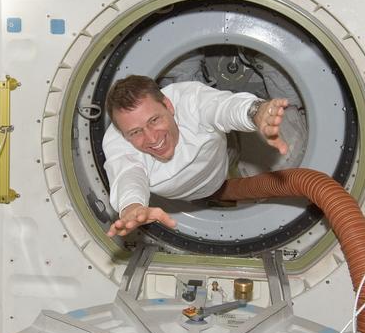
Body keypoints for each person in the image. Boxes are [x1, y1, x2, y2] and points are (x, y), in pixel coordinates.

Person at [102, 74, 289, 237]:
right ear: (124, 134)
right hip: (187, 197)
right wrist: (132, 207)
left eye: (154, 120)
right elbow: (127, 176)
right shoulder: (118, 143)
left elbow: (223, 107)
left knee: (235, 150)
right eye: (135, 132)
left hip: (225, 155)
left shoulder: (189, 99)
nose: (151, 138)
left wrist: (256, 112)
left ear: (168, 105)